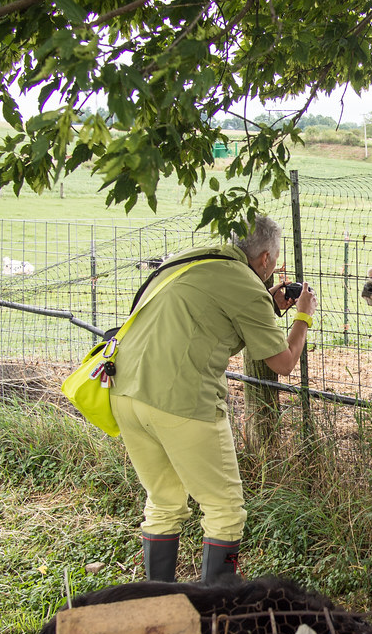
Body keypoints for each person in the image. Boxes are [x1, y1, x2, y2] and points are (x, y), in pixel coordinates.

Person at [109, 214, 316, 583]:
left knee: (164, 501)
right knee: (225, 509)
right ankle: (217, 610)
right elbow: (284, 362)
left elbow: (211, 311)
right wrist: (302, 317)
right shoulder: (244, 283)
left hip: (124, 390)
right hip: (182, 401)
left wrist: (267, 303)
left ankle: (160, 603)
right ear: (265, 259)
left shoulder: (194, 257)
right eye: (275, 260)